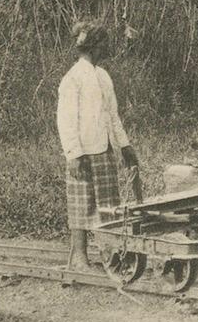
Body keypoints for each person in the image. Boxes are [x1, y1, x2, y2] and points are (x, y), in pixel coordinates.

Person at [56, 22, 140, 271]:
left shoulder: (103, 76)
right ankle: (79, 256)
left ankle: (110, 254)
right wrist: (73, 154)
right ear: (93, 46)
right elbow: (66, 120)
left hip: (104, 149)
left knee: (107, 203)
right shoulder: (72, 79)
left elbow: (112, 115)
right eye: (103, 43)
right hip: (82, 152)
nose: (107, 47)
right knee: (82, 203)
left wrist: (124, 146)